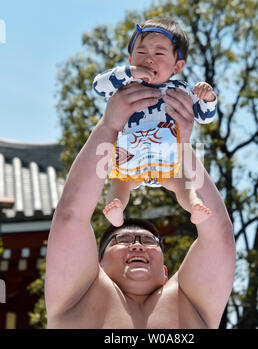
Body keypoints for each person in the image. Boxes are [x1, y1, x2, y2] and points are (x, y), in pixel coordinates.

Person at [45, 80, 236, 329]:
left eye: (148, 242)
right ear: (97, 265)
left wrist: (183, 145)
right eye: (122, 241)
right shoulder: (76, 298)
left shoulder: (188, 301)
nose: (137, 246)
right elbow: (70, 217)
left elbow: (218, 236)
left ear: (165, 272)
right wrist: (108, 127)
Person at [93, 18, 217, 227]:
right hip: (131, 151)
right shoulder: (125, 86)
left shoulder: (182, 90)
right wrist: (129, 73)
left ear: (177, 65)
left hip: (168, 154)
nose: (148, 59)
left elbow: (205, 118)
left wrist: (209, 99)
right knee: (120, 183)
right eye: (141, 53)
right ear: (131, 58)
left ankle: (195, 206)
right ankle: (116, 209)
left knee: (183, 183)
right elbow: (99, 86)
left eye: (159, 54)